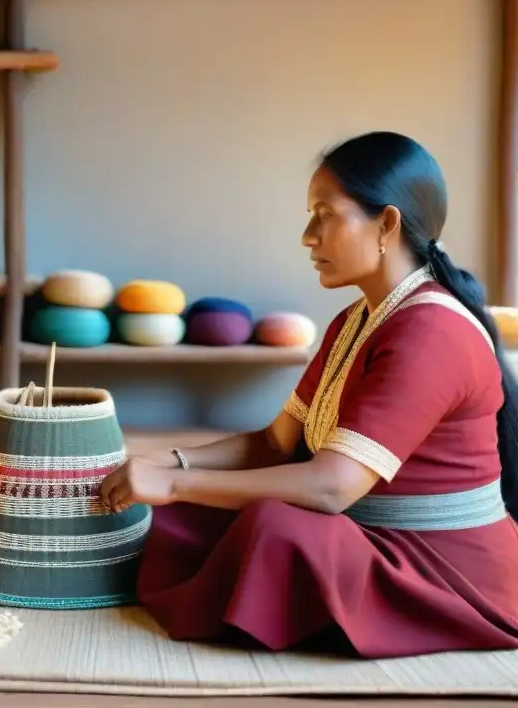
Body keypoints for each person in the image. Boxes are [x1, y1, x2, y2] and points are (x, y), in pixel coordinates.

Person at [101, 131, 518, 658]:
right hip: (365, 536)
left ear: (387, 223)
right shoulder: (355, 321)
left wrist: (175, 484)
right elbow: (274, 444)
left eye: (326, 214)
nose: (307, 235)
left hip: (441, 568)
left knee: (269, 521)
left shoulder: (430, 332)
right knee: (201, 511)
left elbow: (330, 489)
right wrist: (170, 460)